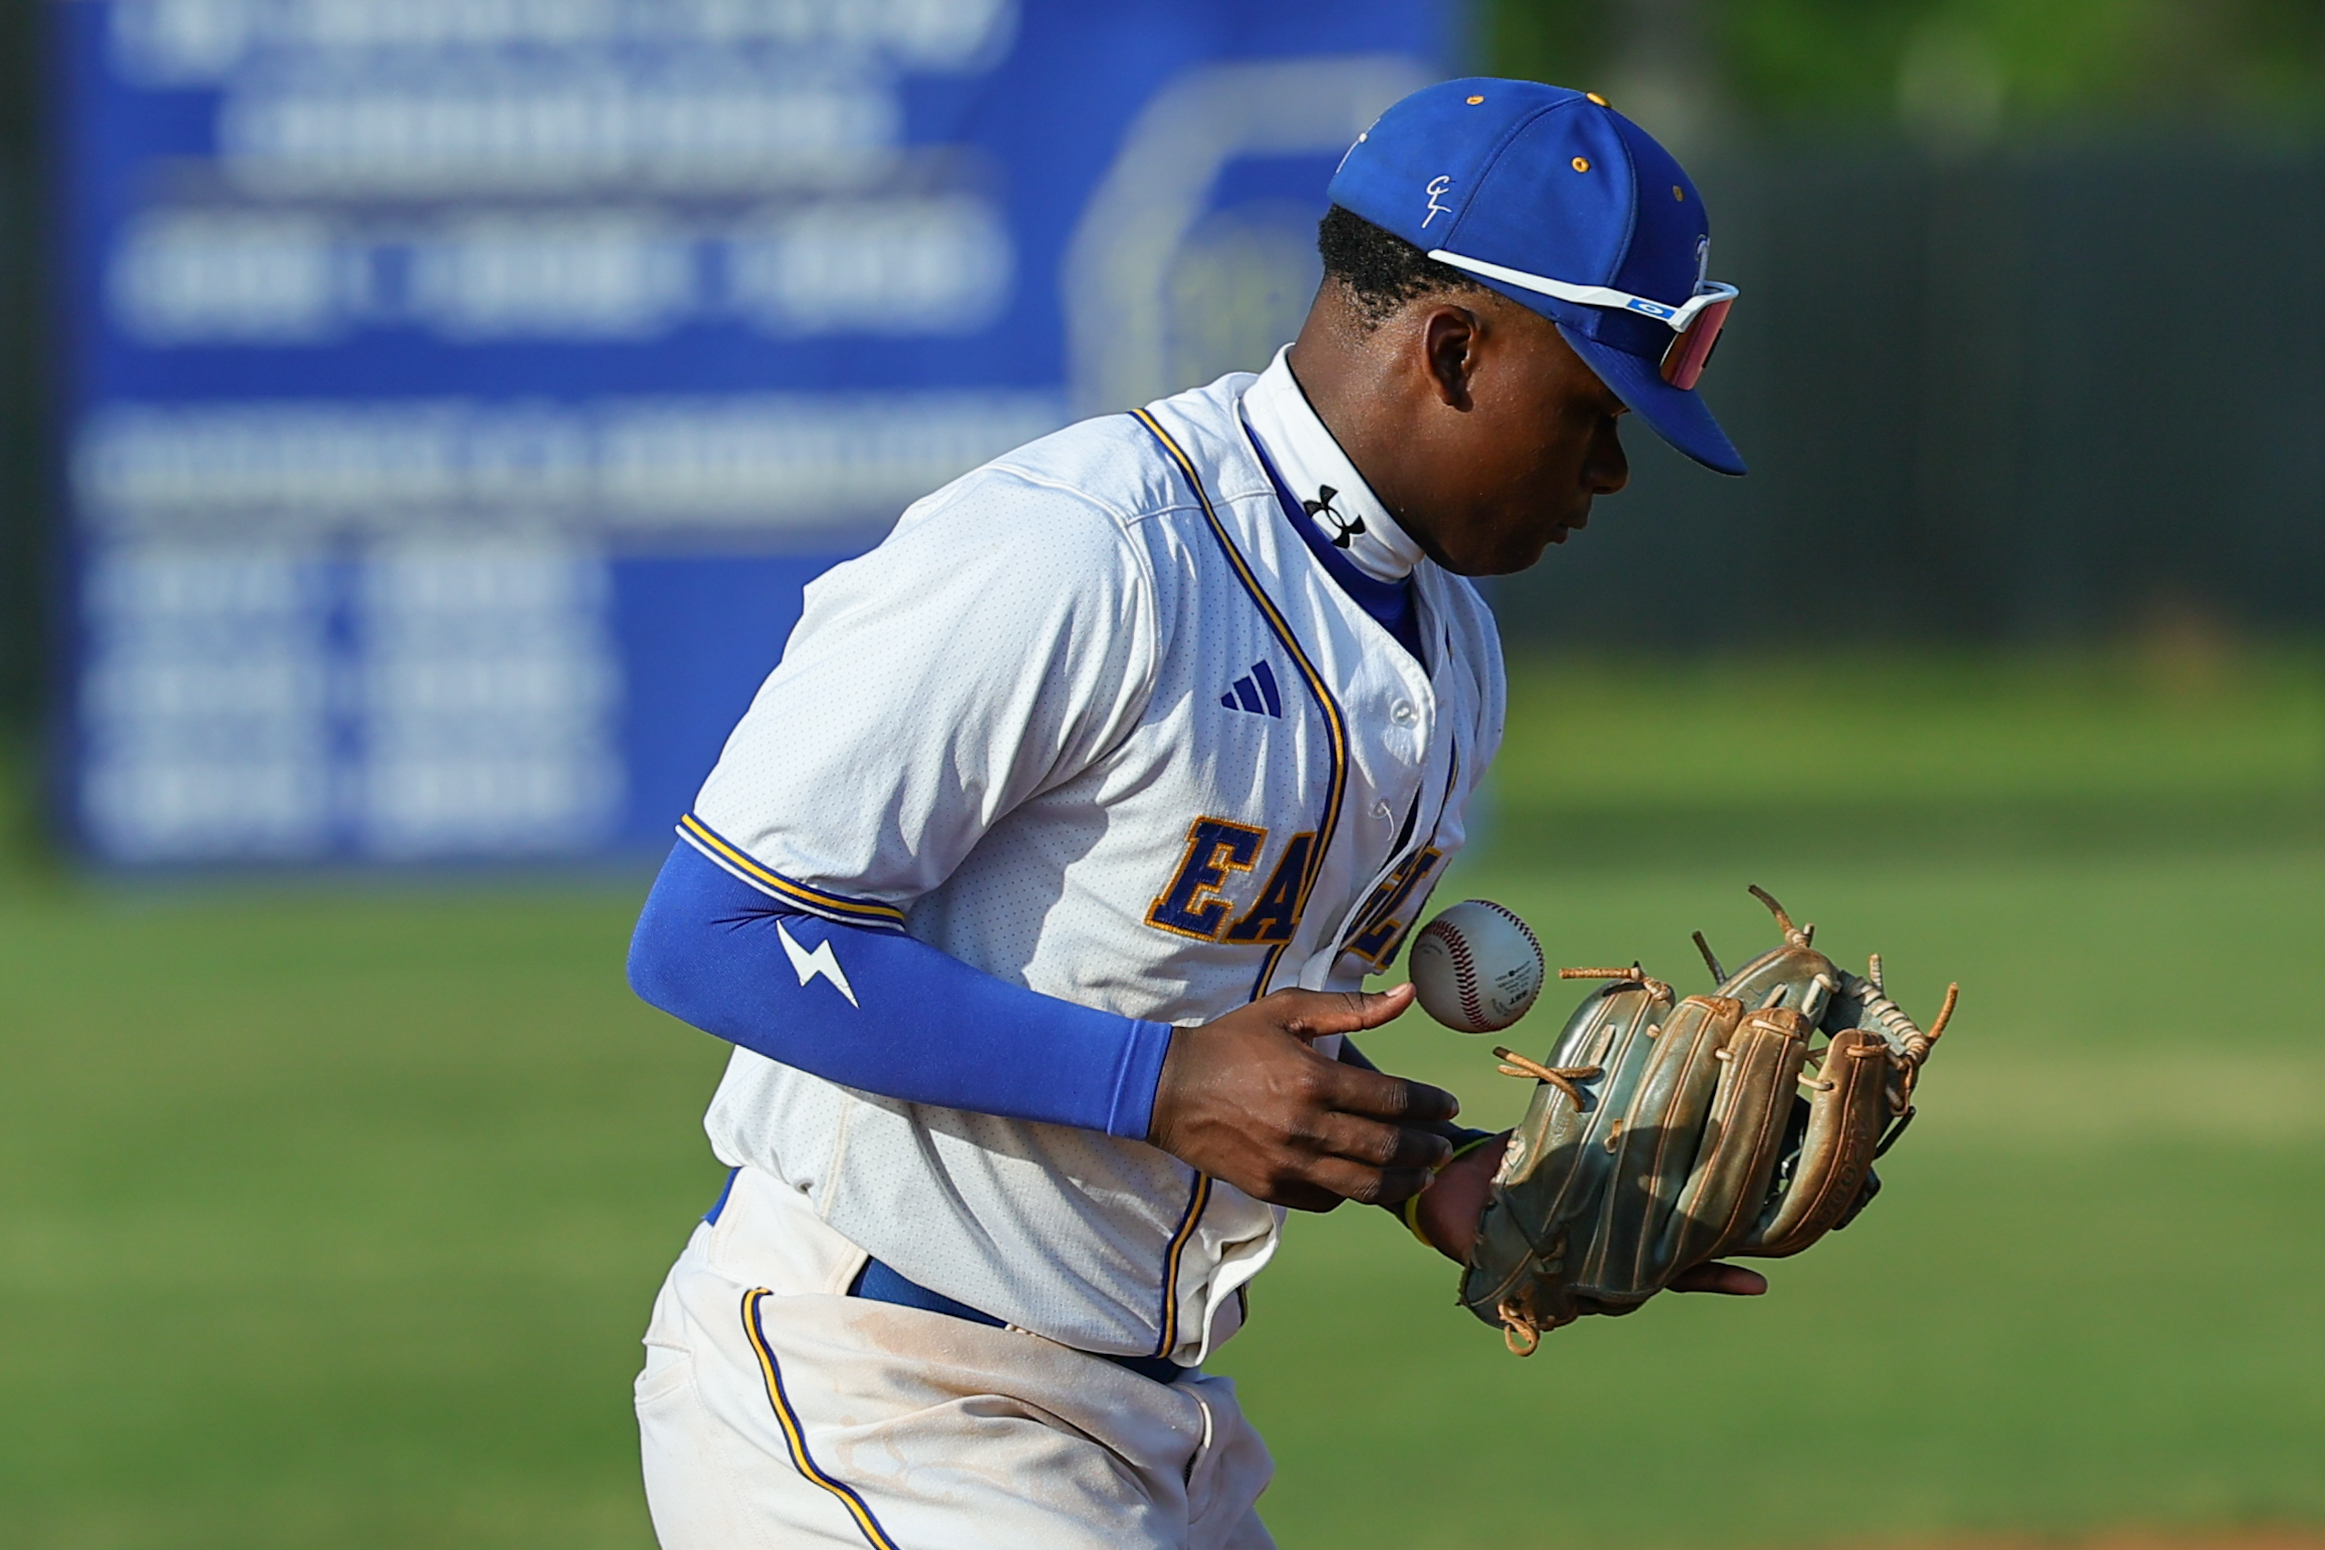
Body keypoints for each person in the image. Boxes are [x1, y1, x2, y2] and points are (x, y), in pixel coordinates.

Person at [624, 78, 1763, 1550]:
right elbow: (711, 931)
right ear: (1456, 349)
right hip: (878, 1391)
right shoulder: (1085, 548)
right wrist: (1153, 1086)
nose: (1610, 472)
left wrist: (1441, 1176)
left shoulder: (1450, 649)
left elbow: (1231, 1035)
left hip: (1150, 1424)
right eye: (1594, 414)